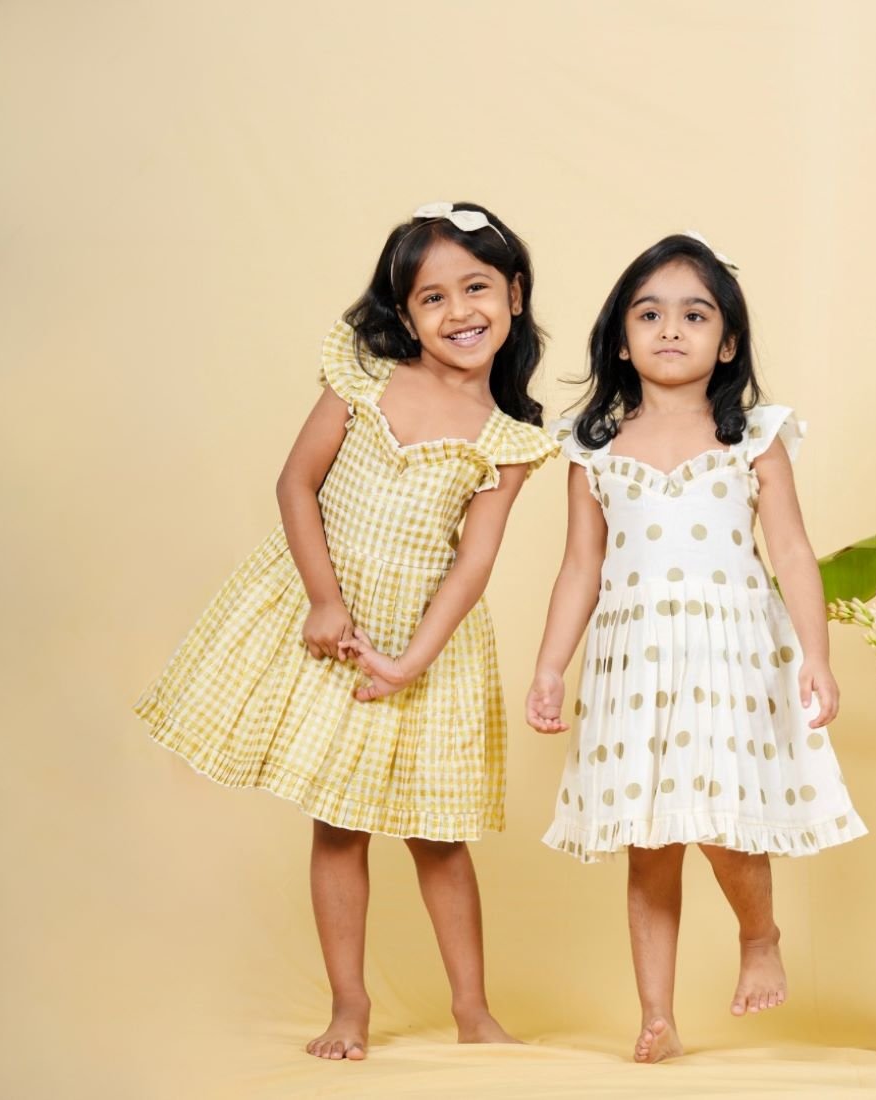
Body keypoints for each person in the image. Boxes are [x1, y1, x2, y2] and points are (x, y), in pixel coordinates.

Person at [136, 202, 557, 1061]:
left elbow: (474, 563)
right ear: (405, 313)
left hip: (426, 642)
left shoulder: (508, 441)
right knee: (338, 823)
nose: (459, 311)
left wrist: (411, 661)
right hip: (338, 621)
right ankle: (349, 1006)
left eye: (477, 287)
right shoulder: (365, 376)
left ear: (514, 295)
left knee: (439, 836)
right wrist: (324, 601)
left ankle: (472, 1010)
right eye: (432, 297)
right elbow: (296, 482)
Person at [525, 232, 865, 1063]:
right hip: (635, 661)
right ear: (620, 340)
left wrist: (816, 656)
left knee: (726, 823)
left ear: (729, 342)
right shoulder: (594, 449)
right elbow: (580, 567)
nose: (670, 329)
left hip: (730, 656)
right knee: (650, 840)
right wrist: (550, 666)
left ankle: (759, 933)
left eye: (694, 314)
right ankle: (657, 1015)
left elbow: (792, 552)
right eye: (649, 314)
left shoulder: (754, 437)